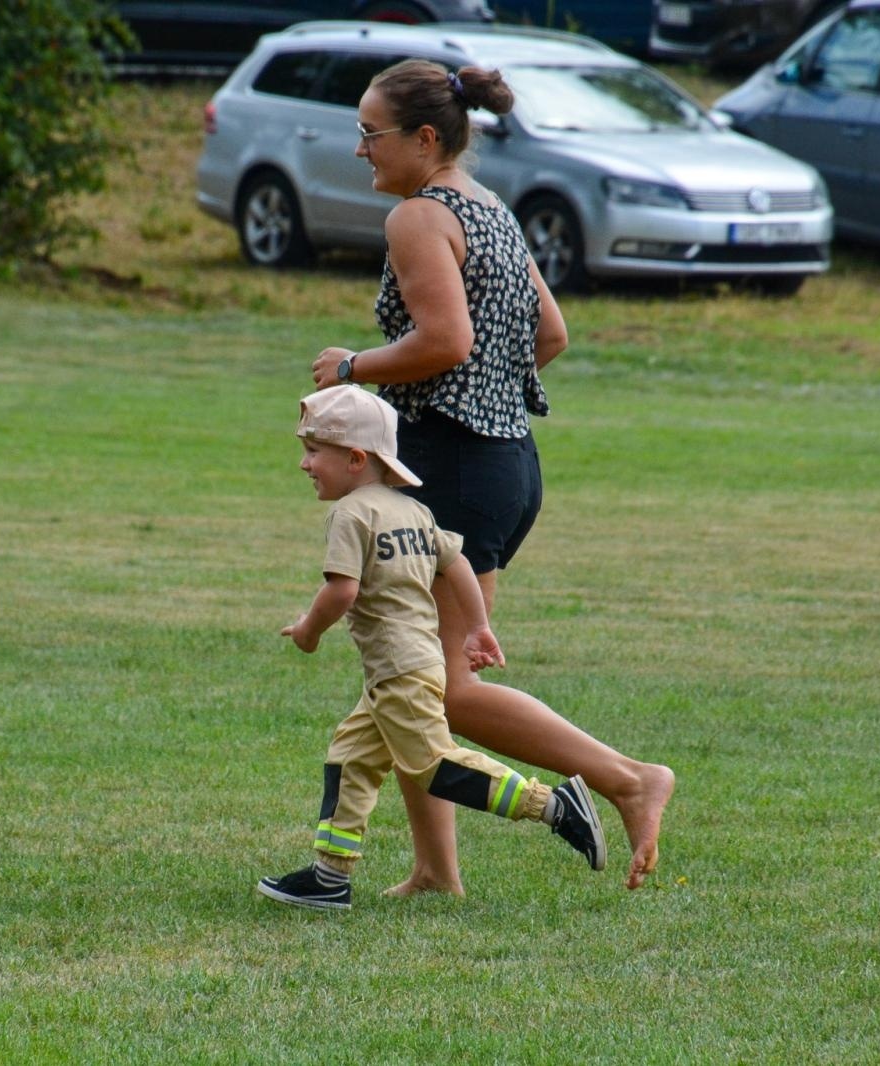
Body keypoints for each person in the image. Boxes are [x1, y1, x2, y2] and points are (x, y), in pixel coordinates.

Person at [310, 60, 674, 894]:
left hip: (457, 463)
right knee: (406, 675)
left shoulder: (418, 217)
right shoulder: (489, 208)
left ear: (424, 138)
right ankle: (436, 872)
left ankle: (627, 778)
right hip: (502, 460)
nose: (361, 148)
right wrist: (484, 399)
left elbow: (447, 341)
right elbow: (550, 332)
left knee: (446, 688)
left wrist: (353, 367)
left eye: (371, 133)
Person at [259, 384, 605, 911]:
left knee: (433, 766)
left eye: (313, 452)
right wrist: (477, 627)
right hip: (410, 665)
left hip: (399, 670)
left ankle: (553, 806)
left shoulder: (352, 515)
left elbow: (342, 590)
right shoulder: (412, 510)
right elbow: (458, 564)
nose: (305, 464)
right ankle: (330, 876)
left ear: (356, 459)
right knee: (352, 757)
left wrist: (309, 629)